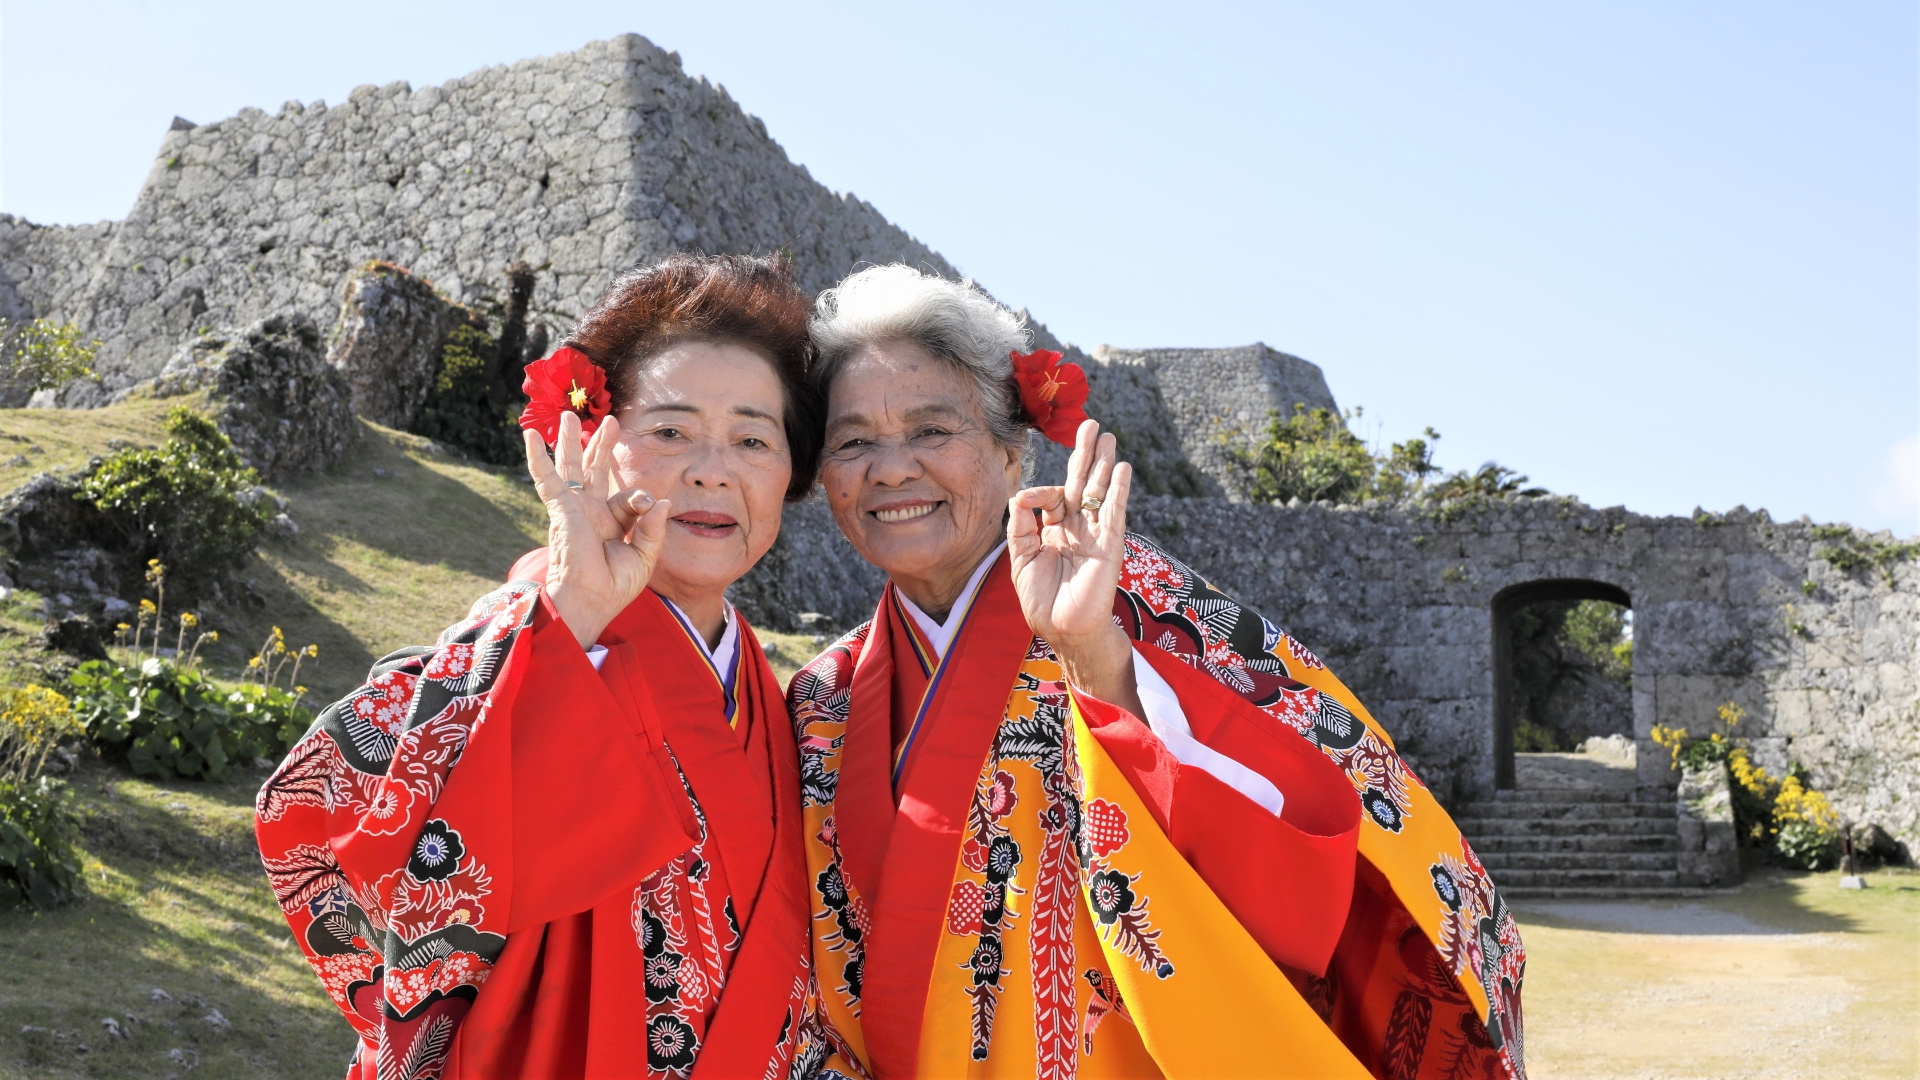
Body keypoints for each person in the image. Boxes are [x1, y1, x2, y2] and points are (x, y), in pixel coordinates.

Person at [787, 265, 1526, 1079]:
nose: (891, 469)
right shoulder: (820, 701)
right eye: (853, 442)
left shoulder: (1150, 615)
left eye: (932, 430)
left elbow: (1315, 862)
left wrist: (1097, 661)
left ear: (1010, 453)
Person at [256, 254, 852, 1079]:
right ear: (596, 446)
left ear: (791, 473)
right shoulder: (538, 630)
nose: (713, 470)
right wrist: (567, 613)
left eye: (754, 438)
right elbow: (317, 812)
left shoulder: (773, 698)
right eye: (670, 432)